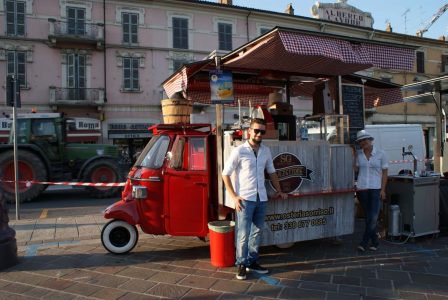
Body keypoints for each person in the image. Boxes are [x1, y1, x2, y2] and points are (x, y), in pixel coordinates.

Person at [222, 118, 288, 280]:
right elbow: (225, 174)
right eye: (256, 130)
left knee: (257, 232)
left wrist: (279, 190)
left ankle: (252, 261)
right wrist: (234, 196)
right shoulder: (239, 150)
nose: (259, 134)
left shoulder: (265, 150)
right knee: (243, 234)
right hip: (244, 198)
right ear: (249, 131)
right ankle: (241, 264)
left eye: (262, 131)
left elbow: (272, 172)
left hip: (262, 198)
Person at [354, 130, 388, 252]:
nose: (363, 142)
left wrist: (383, 190)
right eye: (360, 141)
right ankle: (375, 241)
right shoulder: (358, 154)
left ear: (370, 139)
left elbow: (385, 173)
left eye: (365, 139)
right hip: (362, 188)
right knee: (368, 217)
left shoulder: (381, 153)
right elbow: (356, 169)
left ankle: (363, 242)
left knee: (373, 218)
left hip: (375, 188)